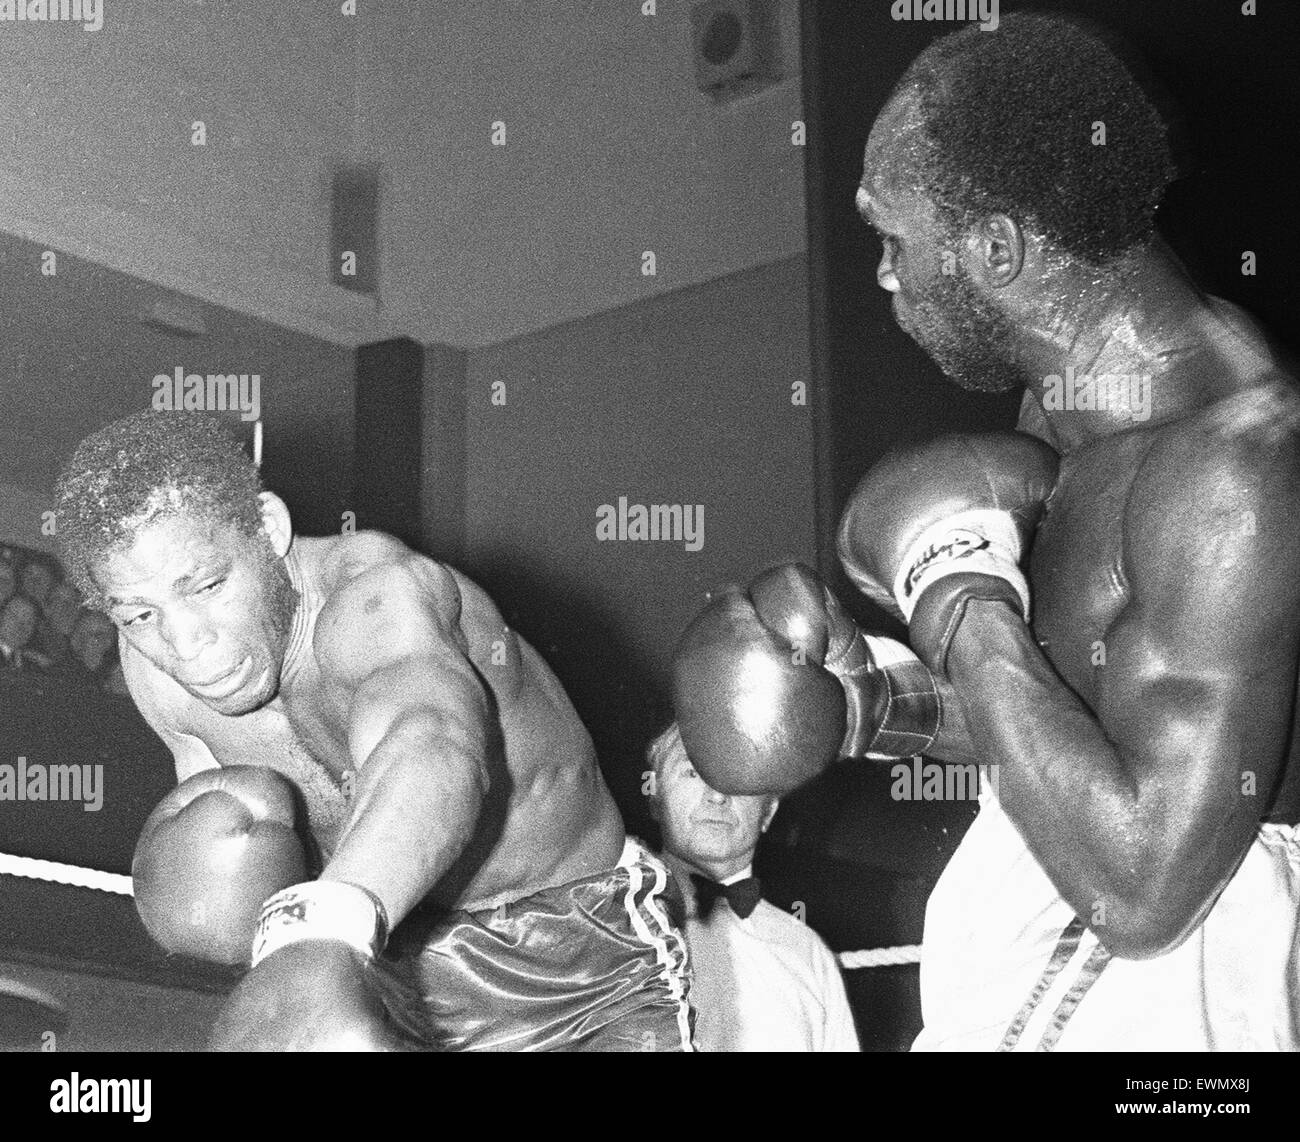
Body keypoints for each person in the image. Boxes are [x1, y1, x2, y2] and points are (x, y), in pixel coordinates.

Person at [676, 11, 1299, 1051]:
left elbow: (1144, 882)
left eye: (893, 239)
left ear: (997, 248)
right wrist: (868, 703)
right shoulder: (1072, 407)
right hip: (1057, 905)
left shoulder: (1228, 467)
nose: (882, 275)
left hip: (1155, 966)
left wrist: (957, 599)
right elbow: (1081, 712)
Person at [55, 410, 692, 1052]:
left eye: (209, 585)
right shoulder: (154, 665)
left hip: (571, 961)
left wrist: (316, 930)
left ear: (267, 528)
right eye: (139, 614)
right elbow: (242, 891)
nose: (185, 641)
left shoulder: (378, 597)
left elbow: (432, 746)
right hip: (377, 966)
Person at [648, 722, 859, 1052]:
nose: (716, 796)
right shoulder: (607, 922)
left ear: (768, 812)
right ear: (656, 798)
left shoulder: (807, 951)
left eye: (739, 779)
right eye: (691, 772)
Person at [0, 594, 48, 672]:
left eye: (29, 622)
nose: (20, 626)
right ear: (1, 616)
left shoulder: (36, 665)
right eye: (14, 617)